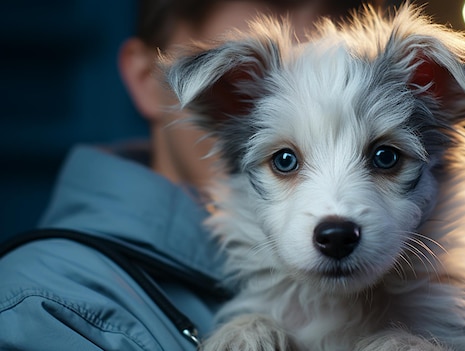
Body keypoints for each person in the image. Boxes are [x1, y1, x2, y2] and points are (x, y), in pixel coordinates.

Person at [0, 1, 381, 349]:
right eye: (237, 80)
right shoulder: (47, 305)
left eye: (341, 59)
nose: (312, 92)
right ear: (148, 78)